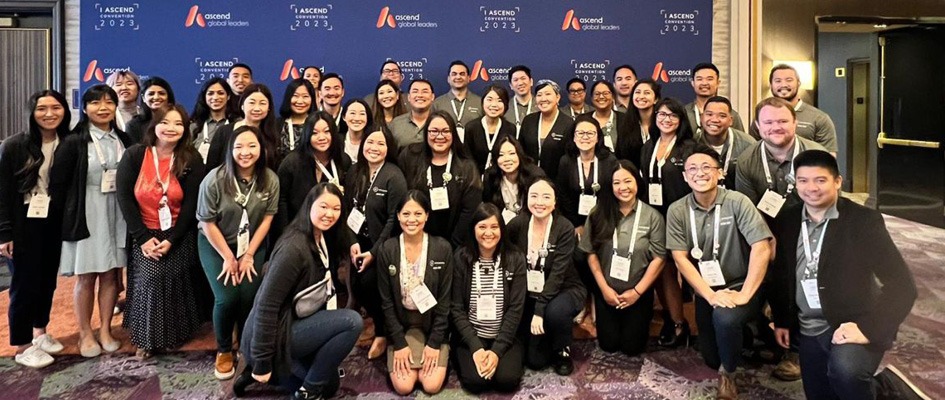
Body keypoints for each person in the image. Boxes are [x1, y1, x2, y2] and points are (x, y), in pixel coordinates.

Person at [769, 150, 917, 400]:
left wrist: (868, 329)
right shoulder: (788, 219)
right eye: (803, 181)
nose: (811, 188)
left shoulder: (862, 221)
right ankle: (878, 386)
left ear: (838, 181)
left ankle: (882, 392)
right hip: (808, 326)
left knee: (846, 374)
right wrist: (783, 319)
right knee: (820, 394)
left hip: (852, 320)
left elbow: (902, 285)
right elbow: (782, 273)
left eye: (820, 180)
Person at [236, 183, 363, 400]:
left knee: (330, 385)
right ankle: (305, 392)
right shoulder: (293, 249)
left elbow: (342, 232)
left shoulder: (321, 235)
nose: (329, 214)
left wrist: (353, 243)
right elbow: (266, 306)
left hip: (296, 320)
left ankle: (263, 374)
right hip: (277, 332)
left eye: (336, 209)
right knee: (352, 322)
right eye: (323, 207)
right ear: (309, 205)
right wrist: (262, 361)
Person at [666, 144, 773, 400]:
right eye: (692, 168)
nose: (699, 173)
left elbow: (761, 247)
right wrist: (710, 296)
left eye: (706, 167)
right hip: (707, 289)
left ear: (720, 173)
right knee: (711, 357)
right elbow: (680, 259)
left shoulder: (738, 202)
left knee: (725, 320)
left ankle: (729, 374)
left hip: (741, 284)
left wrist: (745, 295)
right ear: (684, 176)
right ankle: (745, 336)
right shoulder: (677, 210)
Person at [115, 104, 204, 358]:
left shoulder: (190, 158)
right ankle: (146, 337)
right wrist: (142, 237)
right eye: (166, 122)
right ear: (155, 126)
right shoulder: (135, 155)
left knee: (174, 276)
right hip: (145, 233)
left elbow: (191, 203)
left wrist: (174, 240)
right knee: (151, 279)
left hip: (179, 233)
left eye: (178, 124)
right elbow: (125, 198)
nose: (171, 128)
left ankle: (173, 333)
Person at [54, 84, 134, 358]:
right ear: (85, 108)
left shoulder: (124, 139)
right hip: (86, 213)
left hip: (118, 212)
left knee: (111, 274)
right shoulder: (74, 142)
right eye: (95, 103)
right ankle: (85, 332)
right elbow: (59, 185)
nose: (103, 108)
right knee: (86, 277)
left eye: (109, 102)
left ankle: (105, 330)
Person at [197, 125, 279, 380]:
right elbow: (207, 223)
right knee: (226, 297)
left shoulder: (269, 179)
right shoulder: (215, 179)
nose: (246, 152)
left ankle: (246, 343)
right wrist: (229, 258)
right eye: (239, 146)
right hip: (216, 244)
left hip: (252, 246)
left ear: (261, 150)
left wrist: (249, 255)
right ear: (230, 150)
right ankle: (223, 349)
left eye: (252, 146)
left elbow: (267, 220)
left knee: (249, 294)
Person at [0, 90, 71, 368]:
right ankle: (22, 345)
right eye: (42, 108)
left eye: (56, 107)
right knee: (23, 284)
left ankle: (40, 332)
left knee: (47, 280)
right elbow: (2, 191)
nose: (49, 113)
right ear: (32, 112)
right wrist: (4, 233)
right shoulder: (15, 145)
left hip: (53, 221)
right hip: (22, 223)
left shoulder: (67, 142)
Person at [579, 160, 665, 356]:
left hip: (638, 292)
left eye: (628, 181)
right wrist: (604, 289)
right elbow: (590, 253)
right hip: (607, 291)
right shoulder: (598, 213)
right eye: (616, 183)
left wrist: (636, 292)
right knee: (608, 344)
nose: (623, 187)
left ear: (637, 182)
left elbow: (659, 258)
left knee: (632, 348)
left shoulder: (652, 217)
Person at [375, 190, 453, 396]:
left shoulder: (442, 248)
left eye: (418, 214)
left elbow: (445, 303)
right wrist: (399, 343)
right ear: (398, 215)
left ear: (427, 215)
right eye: (406, 214)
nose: (412, 220)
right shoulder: (387, 249)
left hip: (432, 325)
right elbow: (386, 303)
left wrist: (434, 343)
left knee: (431, 385)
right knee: (404, 386)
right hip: (401, 326)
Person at [506, 179, 586, 376]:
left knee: (555, 312)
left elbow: (558, 274)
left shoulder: (564, 228)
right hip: (530, 291)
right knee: (535, 361)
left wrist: (539, 311)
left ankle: (563, 350)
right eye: (534, 196)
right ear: (526, 200)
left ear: (555, 202)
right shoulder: (517, 225)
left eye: (546, 197)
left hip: (564, 288)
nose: (539, 202)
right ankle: (547, 337)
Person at [343, 126, 407, 360]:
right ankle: (377, 326)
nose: (374, 148)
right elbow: (348, 210)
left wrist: (374, 251)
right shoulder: (354, 172)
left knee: (370, 285)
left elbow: (394, 218)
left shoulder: (393, 175)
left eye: (380, 144)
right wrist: (351, 242)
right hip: (356, 243)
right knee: (356, 286)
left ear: (388, 148)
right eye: (370, 142)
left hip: (383, 244)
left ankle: (382, 332)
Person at [451, 203, 527, 394]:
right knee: (476, 382)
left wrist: (496, 351)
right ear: (473, 229)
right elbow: (457, 308)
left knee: (507, 381)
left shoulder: (515, 258)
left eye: (494, 227)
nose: (488, 233)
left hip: (504, 336)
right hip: (471, 337)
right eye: (482, 227)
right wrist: (476, 348)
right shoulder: (461, 258)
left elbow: (516, 309)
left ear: (502, 229)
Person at [639, 98, 696, 348]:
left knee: (694, 268)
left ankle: (705, 323)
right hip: (656, 216)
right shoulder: (648, 146)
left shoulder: (689, 148)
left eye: (672, 115)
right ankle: (676, 322)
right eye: (661, 115)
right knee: (664, 269)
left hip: (685, 216)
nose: (666, 119)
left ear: (681, 120)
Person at [398, 111, 482, 247]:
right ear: (426, 133)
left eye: (445, 131)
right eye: (434, 131)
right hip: (414, 239)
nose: (440, 136)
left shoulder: (466, 166)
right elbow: (400, 196)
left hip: (455, 244)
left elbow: (470, 210)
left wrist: (452, 245)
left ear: (453, 134)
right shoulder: (410, 156)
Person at [735, 97, 827, 221]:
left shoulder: (818, 156)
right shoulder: (746, 161)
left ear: (795, 123)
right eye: (768, 122)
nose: (776, 127)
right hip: (765, 227)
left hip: (810, 224)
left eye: (783, 121)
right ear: (757, 125)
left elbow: (829, 205)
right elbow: (748, 211)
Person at [276, 111, 352, 234]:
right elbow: (282, 201)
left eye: (327, 132)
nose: (322, 137)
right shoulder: (292, 162)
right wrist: (286, 233)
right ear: (307, 135)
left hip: (332, 230)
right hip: (298, 231)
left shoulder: (343, 161)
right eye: (314, 133)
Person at [749, 64, 838, 155]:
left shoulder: (819, 118)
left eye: (789, 80)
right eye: (778, 81)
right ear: (771, 85)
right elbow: (754, 150)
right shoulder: (762, 117)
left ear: (798, 83)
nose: (783, 85)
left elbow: (829, 157)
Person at [556, 115, 617, 230]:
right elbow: (563, 195)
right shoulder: (566, 161)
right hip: (574, 223)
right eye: (580, 133)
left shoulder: (609, 160)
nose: (585, 137)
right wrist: (576, 225)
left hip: (605, 221)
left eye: (590, 133)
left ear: (598, 137)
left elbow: (611, 195)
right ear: (573, 137)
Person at [206, 84, 280, 172]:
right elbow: (211, 167)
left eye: (262, 103)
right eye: (252, 103)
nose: (257, 108)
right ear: (242, 106)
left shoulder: (274, 133)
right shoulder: (224, 132)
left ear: (269, 108)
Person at [518, 80, 574, 181]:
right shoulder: (529, 120)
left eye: (548, 94)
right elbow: (520, 151)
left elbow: (570, 158)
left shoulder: (568, 123)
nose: (543, 99)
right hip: (528, 180)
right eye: (539, 95)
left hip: (556, 181)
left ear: (557, 97)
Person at [695, 96, 755, 190]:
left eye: (722, 116)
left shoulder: (748, 145)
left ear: (731, 120)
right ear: (701, 118)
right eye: (709, 114)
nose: (714, 120)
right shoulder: (693, 144)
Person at [481, 136, 544, 224]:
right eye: (501, 155)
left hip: (531, 223)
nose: (507, 159)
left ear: (519, 155)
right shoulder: (490, 176)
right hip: (502, 225)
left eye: (511, 153)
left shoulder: (535, 176)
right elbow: (489, 207)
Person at [463, 85, 515, 174]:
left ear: (505, 104)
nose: (494, 105)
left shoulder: (510, 128)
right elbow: (467, 158)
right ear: (483, 102)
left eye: (499, 100)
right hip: (475, 179)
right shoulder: (471, 127)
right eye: (489, 100)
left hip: (501, 178)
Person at [586, 80, 641, 165]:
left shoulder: (626, 120)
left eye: (606, 93)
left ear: (613, 97)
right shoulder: (583, 120)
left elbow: (635, 151)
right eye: (597, 94)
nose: (601, 96)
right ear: (591, 98)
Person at [686, 63, 746, 134]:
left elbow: (740, 141)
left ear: (718, 83)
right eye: (699, 79)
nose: (704, 83)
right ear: (693, 83)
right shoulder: (684, 113)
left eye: (709, 79)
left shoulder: (731, 114)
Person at [191, 77, 238, 163]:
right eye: (210, 93)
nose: (215, 97)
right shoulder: (194, 126)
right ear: (204, 97)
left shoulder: (238, 123)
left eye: (220, 93)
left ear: (228, 96)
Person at [432, 60, 482, 140]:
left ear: (468, 78)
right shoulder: (437, 103)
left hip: (473, 150)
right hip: (445, 149)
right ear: (448, 79)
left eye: (462, 74)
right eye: (454, 74)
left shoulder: (480, 102)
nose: (458, 77)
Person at [125, 76, 176, 144]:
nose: (156, 97)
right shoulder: (134, 125)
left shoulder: (179, 121)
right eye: (151, 94)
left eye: (161, 93)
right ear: (143, 98)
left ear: (168, 97)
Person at [276, 78, 318, 160]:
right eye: (295, 96)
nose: (300, 101)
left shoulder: (317, 123)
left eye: (305, 96)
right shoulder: (277, 124)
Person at [389, 79, 435, 149]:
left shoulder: (441, 123)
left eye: (425, 91)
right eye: (415, 91)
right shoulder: (396, 124)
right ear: (409, 97)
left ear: (432, 97)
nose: (420, 95)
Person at [504, 65, 537, 134]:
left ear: (531, 81)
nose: (520, 83)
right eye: (515, 80)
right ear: (511, 85)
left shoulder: (541, 106)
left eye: (523, 78)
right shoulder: (505, 107)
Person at [627, 78, 661, 147]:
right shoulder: (625, 123)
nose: (641, 96)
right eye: (637, 92)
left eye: (647, 93)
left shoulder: (663, 123)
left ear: (656, 99)